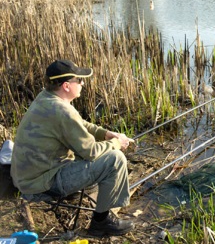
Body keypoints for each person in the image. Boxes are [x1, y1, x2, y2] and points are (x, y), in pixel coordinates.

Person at [11, 59, 134, 237]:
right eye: (79, 80)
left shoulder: (47, 97)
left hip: (28, 177)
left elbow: (78, 122)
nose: (83, 83)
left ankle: (76, 194)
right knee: (115, 159)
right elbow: (91, 152)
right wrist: (117, 143)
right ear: (67, 86)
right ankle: (101, 222)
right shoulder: (61, 111)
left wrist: (104, 133)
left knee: (100, 152)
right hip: (40, 184)